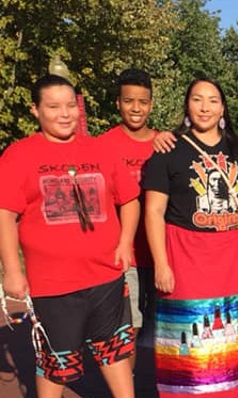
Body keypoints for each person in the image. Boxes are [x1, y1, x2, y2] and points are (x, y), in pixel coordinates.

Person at [0, 74, 149, 398]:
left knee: (114, 346)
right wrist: (12, 271)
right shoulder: (19, 155)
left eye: (70, 105)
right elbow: (5, 215)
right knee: (56, 352)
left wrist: (123, 242)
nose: (64, 114)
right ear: (36, 110)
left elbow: (129, 200)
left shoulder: (100, 149)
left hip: (105, 272)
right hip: (51, 280)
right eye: (53, 106)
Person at [142, 77, 238, 398]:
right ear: (187, 105)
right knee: (192, 337)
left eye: (213, 100)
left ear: (224, 108)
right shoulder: (167, 151)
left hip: (233, 252)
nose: (205, 107)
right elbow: (154, 210)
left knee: (232, 335)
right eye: (197, 99)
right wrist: (161, 262)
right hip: (187, 252)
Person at [97, 68, 157, 352]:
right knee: (127, 329)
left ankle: (162, 395)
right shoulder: (102, 146)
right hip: (123, 255)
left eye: (142, 102)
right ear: (118, 103)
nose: (136, 108)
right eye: (129, 101)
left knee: (163, 333)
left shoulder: (165, 144)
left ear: (151, 104)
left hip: (160, 254)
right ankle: (129, 394)